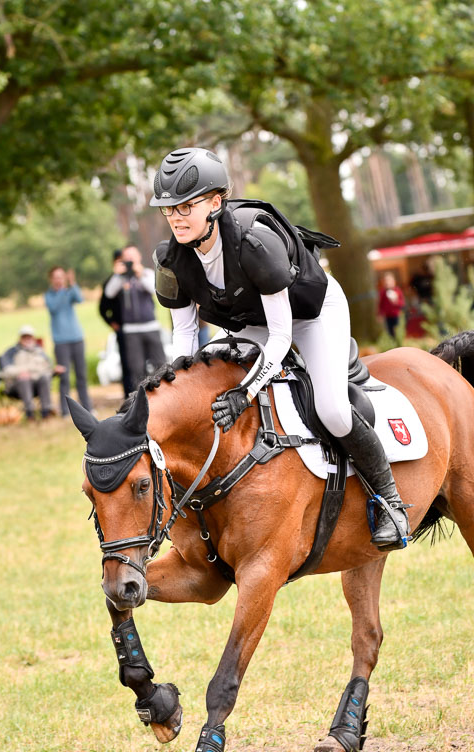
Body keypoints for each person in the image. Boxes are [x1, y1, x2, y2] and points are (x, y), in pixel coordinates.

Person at [150, 146, 411, 551]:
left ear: (216, 202)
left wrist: (245, 393)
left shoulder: (254, 241)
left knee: (331, 409)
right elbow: (185, 337)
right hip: (249, 322)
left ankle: (390, 500)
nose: (175, 217)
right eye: (169, 209)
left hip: (309, 314)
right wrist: (179, 389)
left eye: (186, 206)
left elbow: (281, 336)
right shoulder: (170, 259)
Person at [100, 245, 166, 393]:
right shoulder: (120, 278)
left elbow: (155, 290)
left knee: (160, 365)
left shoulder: (147, 273)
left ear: (139, 257)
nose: (130, 259)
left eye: (132, 256)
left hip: (150, 326)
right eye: (127, 257)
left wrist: (139, 274)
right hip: (131, 330)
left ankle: (164, 396)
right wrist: (117, 275)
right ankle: (140, 400)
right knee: (136, 369)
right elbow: (109, 293)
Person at [45, 266, 93, 417]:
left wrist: (73, 284)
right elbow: (54, 307)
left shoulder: (69, 291)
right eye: (56, 277)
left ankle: (87, 408)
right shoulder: (49, 296)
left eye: (61, 276)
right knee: (64, 378)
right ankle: (65, 410)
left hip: (77, 338)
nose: (59, 280)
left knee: (81, 375)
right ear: (51, 279)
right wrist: (63, 291)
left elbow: (79, 298)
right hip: (61, 342)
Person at [0, 325, 58, 421]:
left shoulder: (39, 351)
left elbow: (47, 367)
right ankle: (30, 413)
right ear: (20, 338)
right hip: (17, 386)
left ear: (33, 338)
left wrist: (54, 371)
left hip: (37, 383)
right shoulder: (11, 352)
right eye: (24, 337)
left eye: (29, 337)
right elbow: (6, 370)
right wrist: (22, 372)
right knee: (24, 379)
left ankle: (46, 411)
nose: (27, 339)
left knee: (45, 377)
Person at [99, 249, 133, 397]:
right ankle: (128, 394)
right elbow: (102, 307)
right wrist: (112, 323)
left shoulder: (133, 278)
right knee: (126, 362)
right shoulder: (110, 282)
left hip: (137, 326)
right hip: (122, 328)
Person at [378, 272, 405, 338]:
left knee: (398, 330)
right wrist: (380, 314)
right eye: (386, 281)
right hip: (387, 316)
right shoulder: (383, 292)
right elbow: (381, 304)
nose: (387, 283)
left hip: (397, 315)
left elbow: (402, 303)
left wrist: (396, 302)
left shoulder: (397, 291)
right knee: (390, 331)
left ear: (393, 281)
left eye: (389, 280)